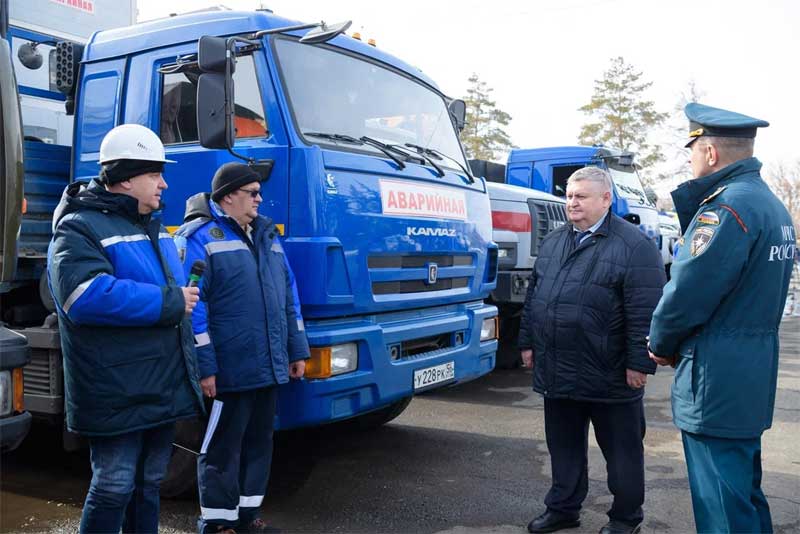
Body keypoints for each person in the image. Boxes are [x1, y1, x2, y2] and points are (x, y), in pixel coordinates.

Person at [47, 123, 204, 534]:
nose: (164, 184)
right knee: (114, 486)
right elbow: (83, 296)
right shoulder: (78, 227)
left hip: (160, 385)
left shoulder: (154, 229)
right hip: (116, 388)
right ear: (125, 178)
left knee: (148, 484)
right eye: (155, 174)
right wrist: (170, 302)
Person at [648, 103, 795, 533]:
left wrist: (659, 342)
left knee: (723, 513)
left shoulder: (727, 209)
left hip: (716, 384)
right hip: (749, 379)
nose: (690, 159)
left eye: (692, 149)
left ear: (710, 153)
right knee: (745, 499)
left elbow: (686, 292)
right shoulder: (771, 206)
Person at [518, 166, 666, 534]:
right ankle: (564, 509)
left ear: (606, 199)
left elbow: (645, 310)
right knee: (563, 449)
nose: (572, 203)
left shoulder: (634, 246)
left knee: (622, 454)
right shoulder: (555, 242)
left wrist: (638, 363)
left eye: (581, 196)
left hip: (610, 372)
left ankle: (625, 518)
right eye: (569, 196)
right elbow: (535, 297)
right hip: (559, 369)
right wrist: (527, 341)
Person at [175, 162, 310, 534]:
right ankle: (218, 523)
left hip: (267, 365)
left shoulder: (267, 236)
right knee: (221, 448)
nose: (260, 199)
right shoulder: (199, 237)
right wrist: (206, 366)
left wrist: (296, 350)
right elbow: (192, 310)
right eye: (253, 192)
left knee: (258, 444)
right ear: (229, 195)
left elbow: (289, 297)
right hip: (229, 369)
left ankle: (247, 517)